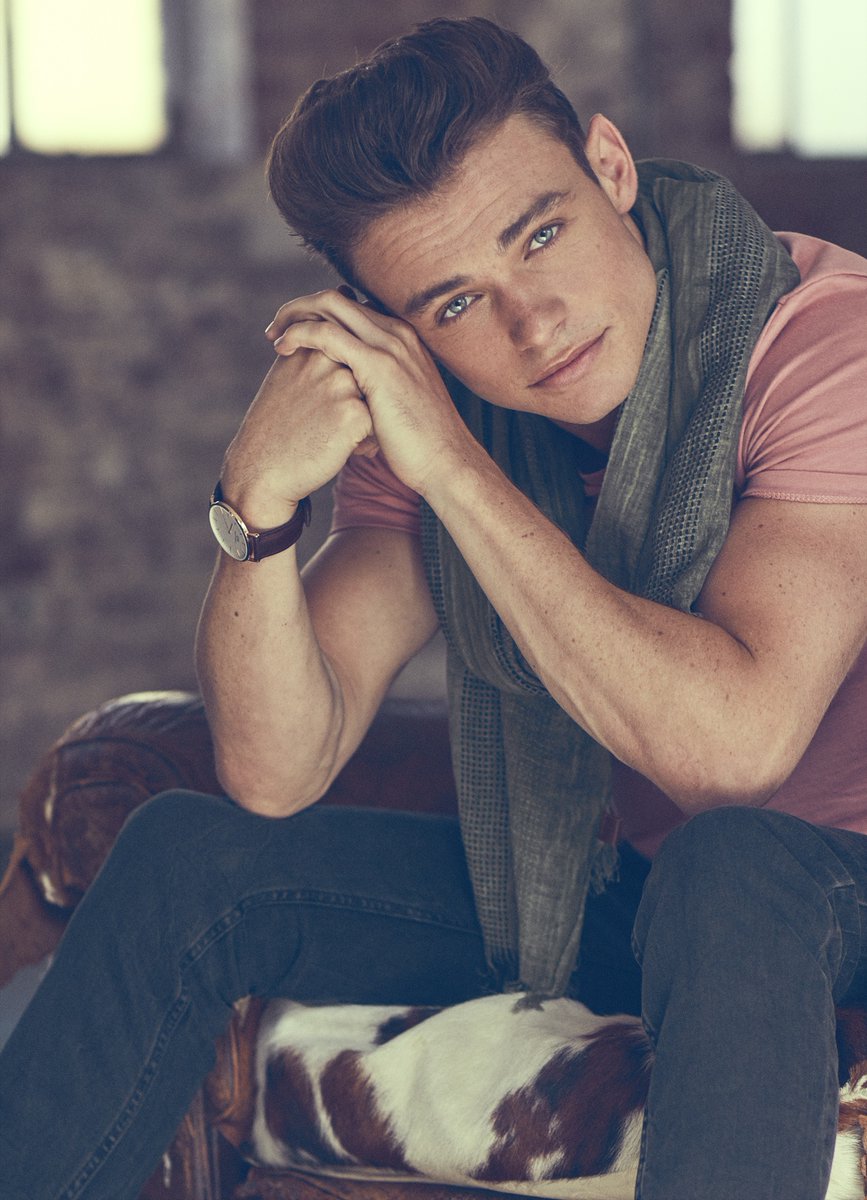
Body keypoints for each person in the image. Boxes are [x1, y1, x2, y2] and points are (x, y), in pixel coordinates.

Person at [2, 16, 866, 1200]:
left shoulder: (822, 344)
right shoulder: (435, 413)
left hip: (810, 885)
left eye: (543, 234)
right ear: (393, 325)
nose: (534, 322)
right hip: (643, 892)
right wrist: (256, 503)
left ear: (611, 166)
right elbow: (275, 769)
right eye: (455, 304)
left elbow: (735, 752)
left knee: (729, 866)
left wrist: (454, 467)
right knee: (185, 857)